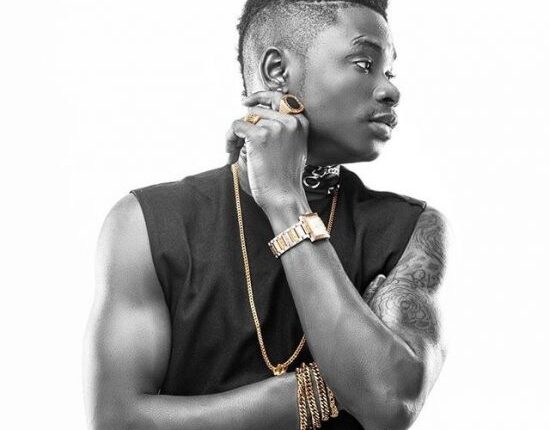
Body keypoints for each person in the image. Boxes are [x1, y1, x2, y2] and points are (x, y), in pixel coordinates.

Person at [84, 0, 448, 429]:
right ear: (277, 71)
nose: (390, 90)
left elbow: (389, 402)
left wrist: (285, 200)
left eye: (390, 72)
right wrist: (314, 390)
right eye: (364, 64)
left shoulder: (411, 228)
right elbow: (116, 421)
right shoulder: (147, 222)